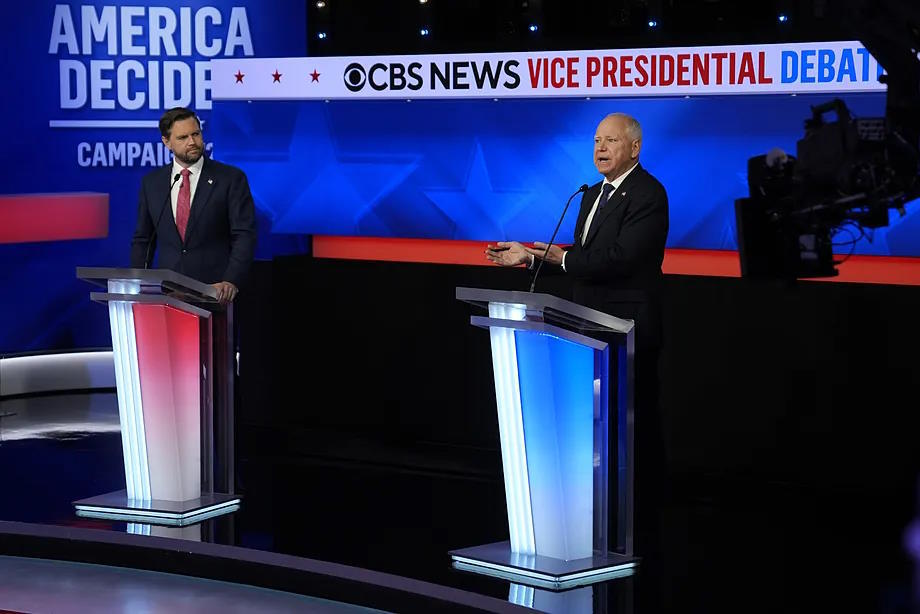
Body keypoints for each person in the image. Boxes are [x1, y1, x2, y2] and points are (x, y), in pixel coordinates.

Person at [485, 112, 669, 561]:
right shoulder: (590, 196)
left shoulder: (649, 193)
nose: (600, 148)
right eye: (596, 141)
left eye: (610, 140)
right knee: (592, 425)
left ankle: (643, 531)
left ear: (634, 147)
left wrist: (563, 261)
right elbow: (585, 258)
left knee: (631, 426)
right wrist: (530, 258)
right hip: (586, 324)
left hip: (628, 327)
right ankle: (592, 517)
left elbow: (619, 259)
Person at [130, 107, 257, 304]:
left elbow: (244, 235)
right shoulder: (152, 183)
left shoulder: (230, 179)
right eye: (182, 137)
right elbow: (143, 239)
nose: (192, 142)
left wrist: (231, 281)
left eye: (196, 134)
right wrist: (138, 283)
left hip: (217, 293)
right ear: (166, 142)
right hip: (169, 294)